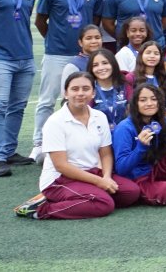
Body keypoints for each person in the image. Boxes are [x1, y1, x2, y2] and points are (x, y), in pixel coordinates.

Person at [12, 72, 141, 220]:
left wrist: (106, 177)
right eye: (75, 89)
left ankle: (86, 197)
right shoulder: (55, 122)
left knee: (131, 192)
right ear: (66, 93)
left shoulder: (99, 117)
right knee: (104, 204)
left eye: (86, 89)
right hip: (60, 180)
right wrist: (100, 182)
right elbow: (61, 166)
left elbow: (105, 153)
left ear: (93, 93)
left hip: (92, 173)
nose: (80, 93)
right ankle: (39, 209)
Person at [32, 0, 105, 162]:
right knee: (48, 99)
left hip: (85, 55)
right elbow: (40, 20)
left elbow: (96, 20)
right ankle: (39, 143)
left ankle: (74, 143)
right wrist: (54, 39)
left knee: (84, 98)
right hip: (57, 53)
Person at [87, 49, 128, 130]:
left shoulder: (125, 84)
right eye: (95, 65)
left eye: (105, 63)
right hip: (98, 135)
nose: (101, 68)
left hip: (123, 134)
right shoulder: (88, 89)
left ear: (113, 64)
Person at [60, 24, 105, 89]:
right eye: (88, 38)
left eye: (97, 38)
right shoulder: (73, 66)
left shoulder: (108, 61)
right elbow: (66, 94)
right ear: (80, 42)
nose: (94, 41)